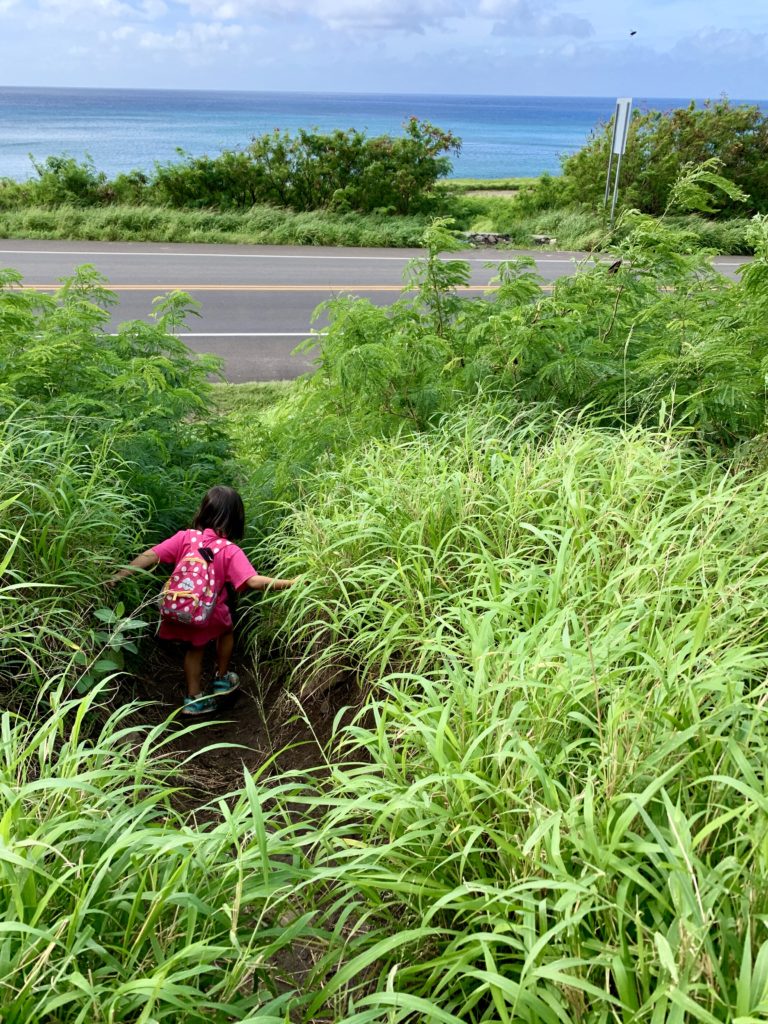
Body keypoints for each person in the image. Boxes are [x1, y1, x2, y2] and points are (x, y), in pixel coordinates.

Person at [108, 485, 296, 716]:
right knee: (226, 631)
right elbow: (253, 581)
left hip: (182, 607)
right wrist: (292, 583)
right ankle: (221, 679)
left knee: (194, 650)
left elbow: (151, 555)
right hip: (209, 612)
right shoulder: (229, 550)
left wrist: (118, 575)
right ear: (237, 519)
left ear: (204, 511)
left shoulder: (186, 538)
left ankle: (193, 699)